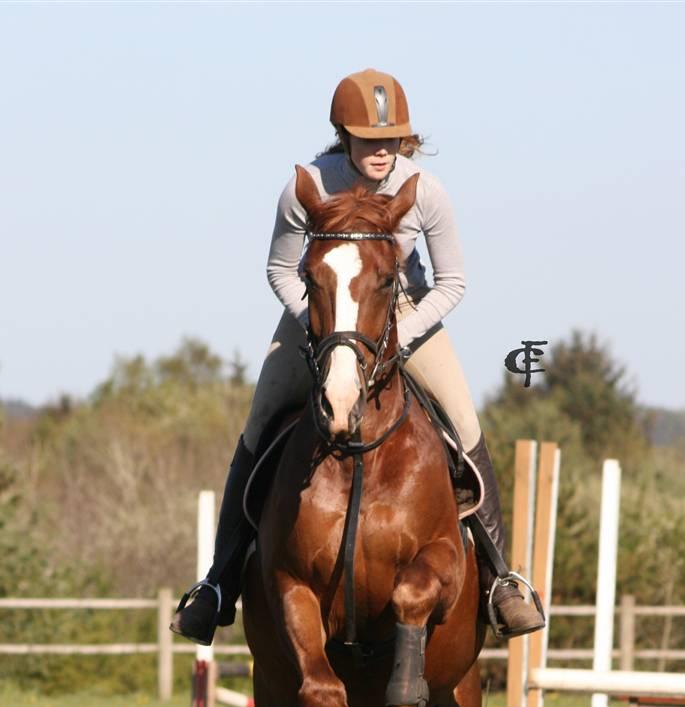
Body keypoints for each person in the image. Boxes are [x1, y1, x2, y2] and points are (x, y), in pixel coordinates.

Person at [171, 68, 544, 645]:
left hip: (405, 316)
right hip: (319, 317)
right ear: (342, 136)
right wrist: (324, 330)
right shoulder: (310, 186)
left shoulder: (428, 190)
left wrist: (398, 329)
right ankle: (218, 583)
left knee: (464, 421)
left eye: (392, 139)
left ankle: (501, 578)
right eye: (369, 140)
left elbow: (453, 282)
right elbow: (279, 270)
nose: (381, 151)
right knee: (258, 422)